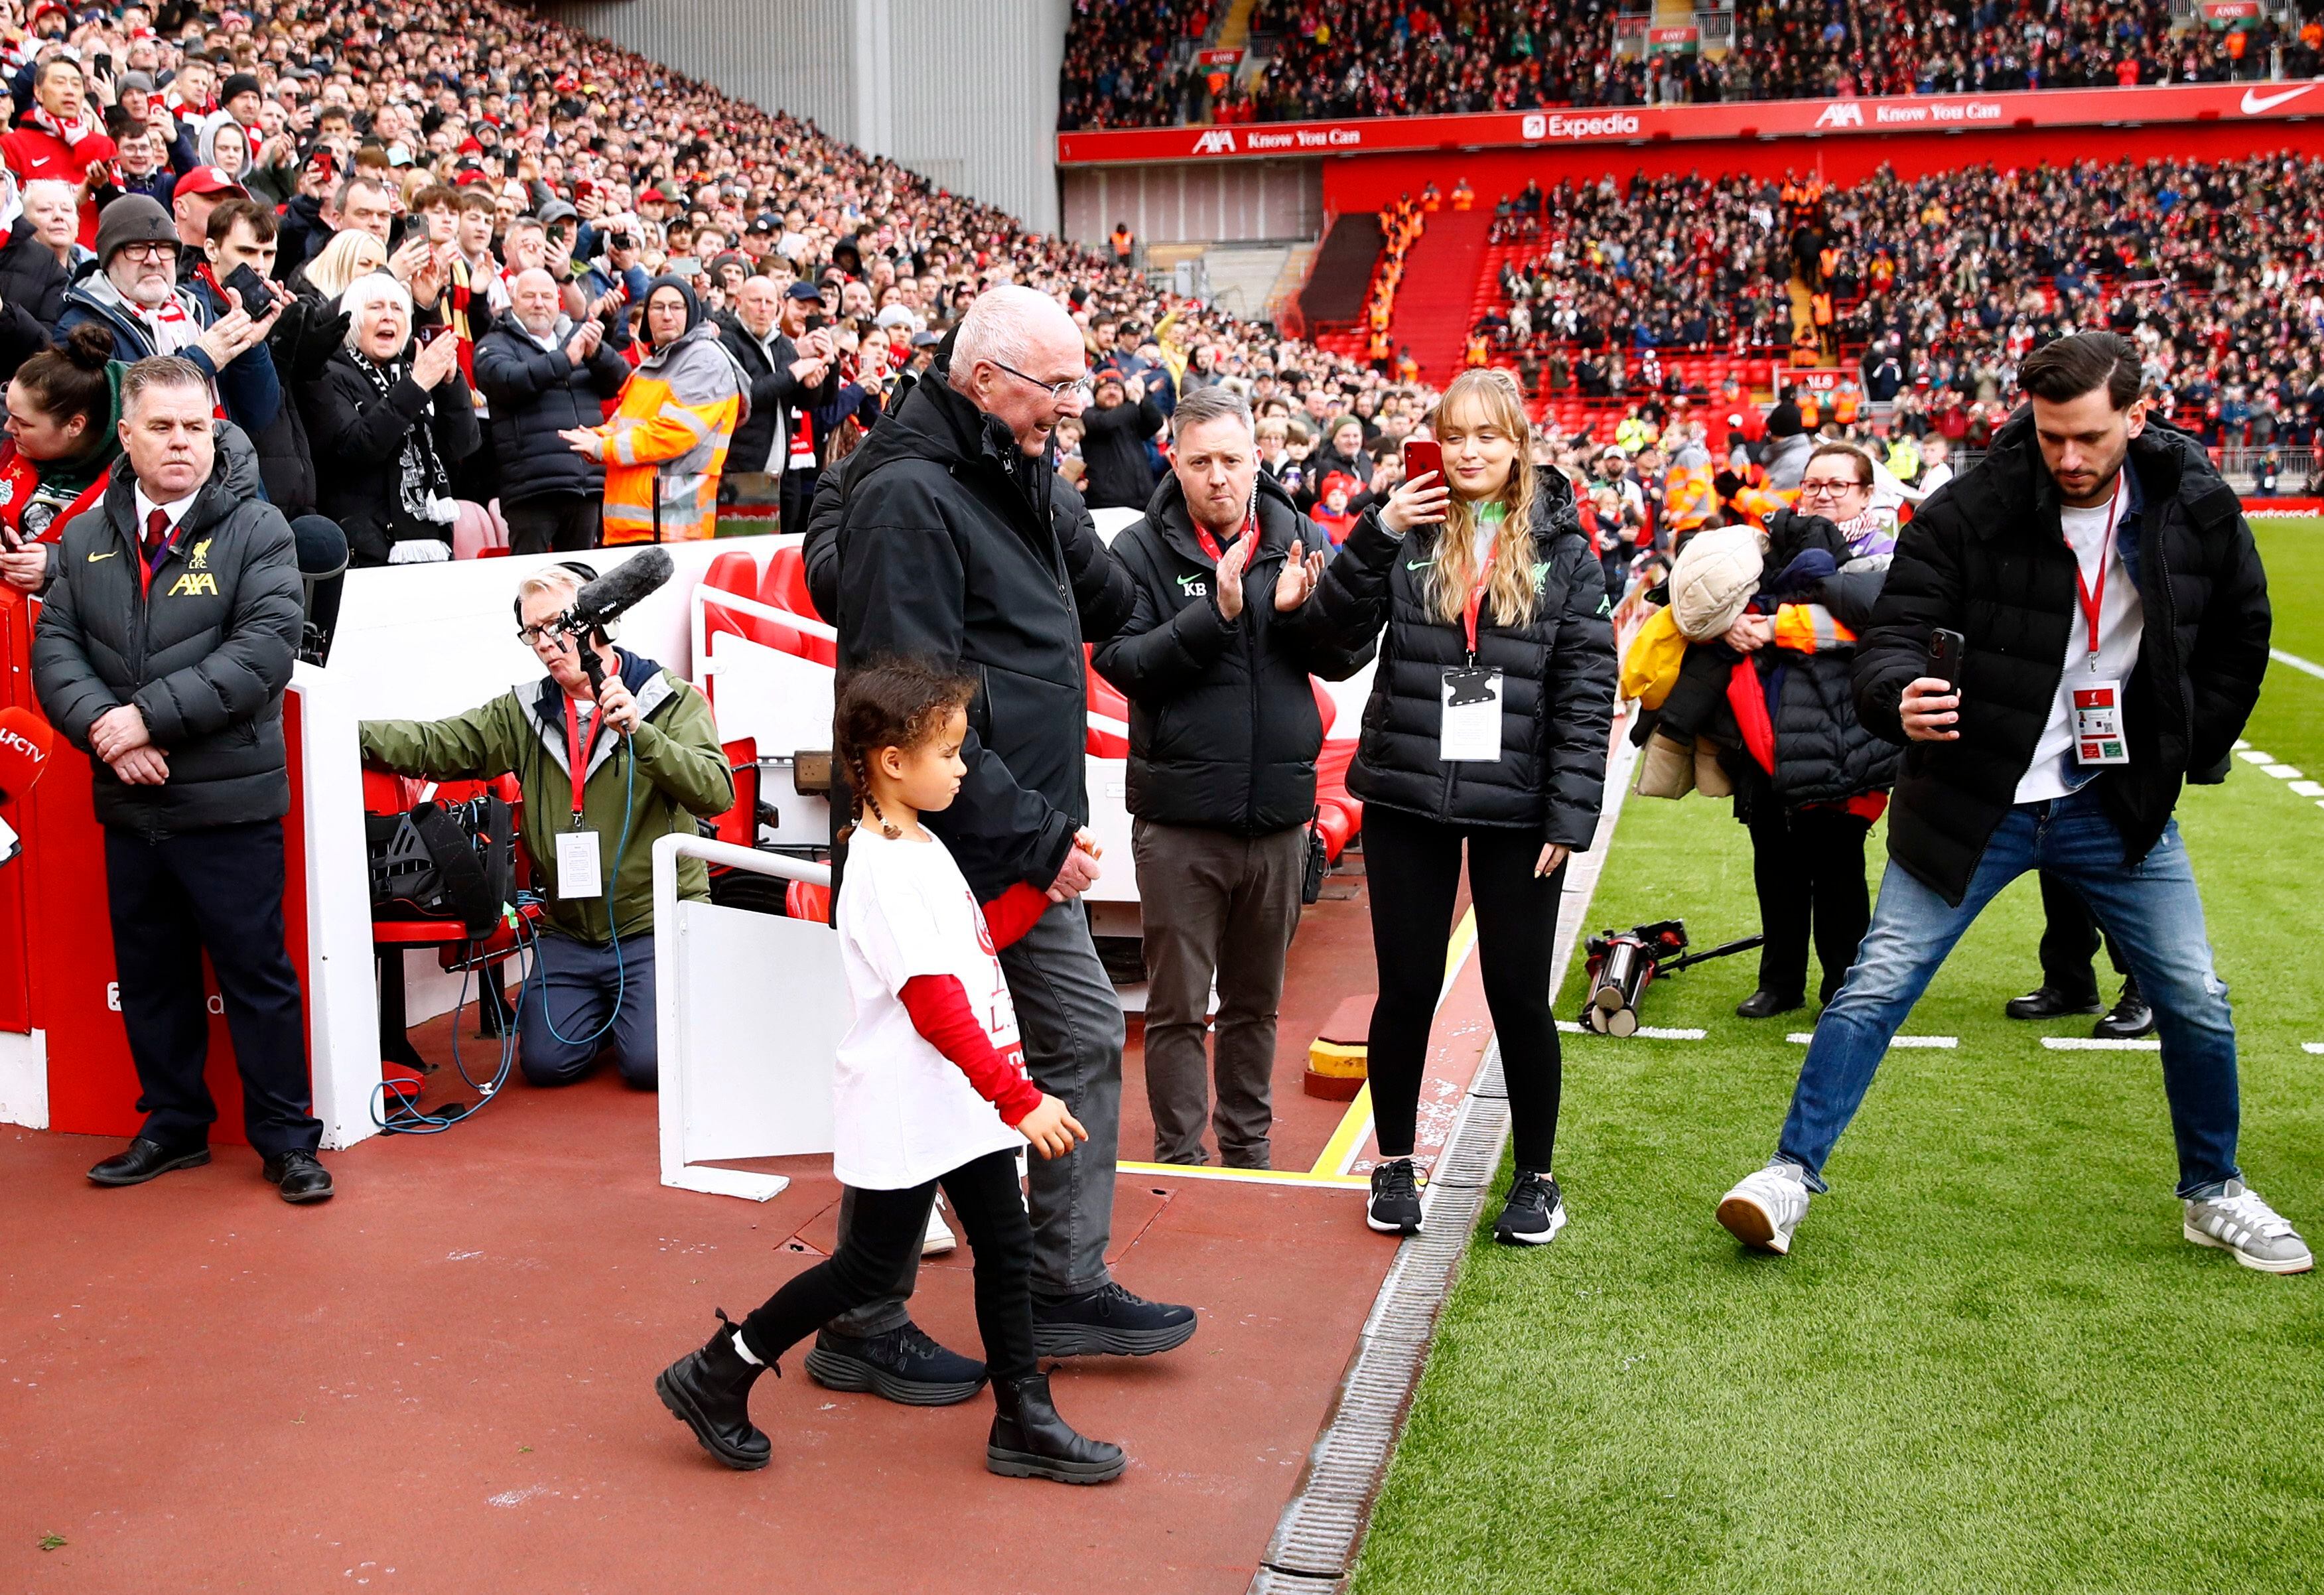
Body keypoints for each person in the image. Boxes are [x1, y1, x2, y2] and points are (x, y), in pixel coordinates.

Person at [1713, 332, 2306, 1273]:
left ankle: (2212, 1191)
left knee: (2193, 996)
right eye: (2047, 435)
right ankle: (1787, 1176)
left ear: (2134, 417)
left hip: (2110, 802)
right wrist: (1894, 692)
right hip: (1968, 797)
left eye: (2086, 437)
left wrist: (2187, 746)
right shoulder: (1973, 504)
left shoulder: (2194, 501)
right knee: (1873, 986)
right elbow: (1895, 628)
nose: (2066, 457)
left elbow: (2240, 628)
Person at [810, 283, 1191, 1405]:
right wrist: (1033, 833)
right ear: (985, 381)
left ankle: (958, 1297)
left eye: (1077, 386)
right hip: (957, 848)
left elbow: (1087, 617)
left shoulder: (1006, 470)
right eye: (1054, 388)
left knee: (979, 1058)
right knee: (1015, 1046)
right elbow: (909, 702)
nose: (1070, 410)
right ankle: (935, 1304)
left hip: (1001, 834)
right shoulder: (909, 497)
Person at [651, 661, 1124, 1484]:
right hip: (916, 1105)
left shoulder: (921, 841)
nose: (963, 766)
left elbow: (975, 940)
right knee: (866, 1270)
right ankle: (719, 1368)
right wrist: (1019, 1099)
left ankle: (1023, 1416)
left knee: (1005, 1248)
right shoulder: (881, 868)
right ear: (893, 763)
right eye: (948, 751)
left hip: (959, 1101)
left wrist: (1042, 889)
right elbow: (935, 1004)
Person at [1307, 368, 1617, 1245]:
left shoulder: (1566, 547)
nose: (1470, 451)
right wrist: (1373, 534)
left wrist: (1568, 815)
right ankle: (1395, 1162)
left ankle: (1536, 1178)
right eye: (1454, 435)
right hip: (1408, 795)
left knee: (1515, 993)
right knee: (1404, 989)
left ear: (1518, 445)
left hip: (1518, 805)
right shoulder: (1404, 533)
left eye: (1487, 434)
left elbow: (1587, 692)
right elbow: (1327, 644)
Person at [29, 354, 327, 1202]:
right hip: (130, 801)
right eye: (161, 427)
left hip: (229, 803)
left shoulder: (258, 528)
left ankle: (285, 1140)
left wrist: (145, 717)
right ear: (125, 434)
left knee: (256, 976)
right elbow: (57, 649)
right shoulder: (83, 536)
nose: (181, 443)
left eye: (195, 427)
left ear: (214, 429)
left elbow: (264, 649)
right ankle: (172, 1124)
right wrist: (106, 731)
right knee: (152, 977)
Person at [1093, 385, 1362, 1169]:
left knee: (1256, 1006)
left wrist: (1303, 614)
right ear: (1172, 461)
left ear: (1258, 461)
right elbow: (1123, 665)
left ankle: (1249, 1152)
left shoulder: (1299, 534)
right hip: (1179, 823)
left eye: (1233, 461)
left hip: (1279, 818)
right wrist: (1217, 613)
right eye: (1201, 460)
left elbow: (1341, 658)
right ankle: (1181, 1157)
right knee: (1177, 1007)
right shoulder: (1137, 552)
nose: (1219, 477)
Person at [357, 561, 732, 1091]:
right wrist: (343, 730)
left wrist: (643, 737)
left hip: (653, 923)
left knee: (649, 1068)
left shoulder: (670, 699)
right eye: (532, 631)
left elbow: (716, 793)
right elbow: (439, 744)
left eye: (557, 625)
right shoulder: (522, 711)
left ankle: (643, 1010)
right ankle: (614, 1013)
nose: (546, 643)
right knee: (546, 1066)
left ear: (602, 621)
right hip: (569, 932)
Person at [1720, 444, 1899, 1018]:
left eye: (1837, 485)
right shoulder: (1769, 549)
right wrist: (1729, 625)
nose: (1822, 494)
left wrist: (1771, 627)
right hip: (1770, 732)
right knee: (1773, 862)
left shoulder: (1888, 554)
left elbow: (1868, 625)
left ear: (1866, 494)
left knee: (1838, 866)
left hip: (1841, 732)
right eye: (1813, 484)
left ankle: (1844, 986)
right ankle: (1779, 982)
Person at [58, 195, 283, 444]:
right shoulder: (80, 327)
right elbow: (100, 424)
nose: (154, 260)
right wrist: (199, 361)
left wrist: (251, 347)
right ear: (109, 259)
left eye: (165, 247)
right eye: (136, 248)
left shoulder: (199, 309)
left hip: (224, 473)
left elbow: (260, 415)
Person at [299, 271, 480, 567]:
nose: (388, 317)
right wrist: (417, 386)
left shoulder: (415, 371)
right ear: (353, 319)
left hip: (432, 542)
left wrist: (450, 384)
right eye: (375, 308)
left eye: (397, 308)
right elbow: (355, 447)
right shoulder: (330, 373)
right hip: (365, 548)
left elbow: (461, 446)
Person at [561, 277, 744, 544]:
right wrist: (594, 438)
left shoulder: (705, 360)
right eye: (658, 307)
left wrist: (603, 447)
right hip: (635, 524)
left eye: (676, 307)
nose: (667, 315)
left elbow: (675, 434)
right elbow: (624, 423)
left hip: (670, 525)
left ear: (691, 311)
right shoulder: (659, 362)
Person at [472, 267, 632, 554]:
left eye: (546, 296)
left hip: (586, 485)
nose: (538, 303)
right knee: (530, 582)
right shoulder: (495, 343)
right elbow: (507, 380)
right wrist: (565, 360)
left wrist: (597, 354)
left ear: (558, 301)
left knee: (582, 583)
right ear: (513, 300)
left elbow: (620, 381)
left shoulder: (578, 336)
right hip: (531, 490)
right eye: (529, 296)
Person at [0, 325, 125, 595]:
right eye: (9, 414)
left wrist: (56, 566)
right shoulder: (11, 451)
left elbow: (139, 569)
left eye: (23, 423)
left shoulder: (136, 479)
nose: (8, 427)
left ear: (75, 426)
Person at [717, 272, 836, 523]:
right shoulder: (726, 340)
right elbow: (747, 398)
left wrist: (812, 386)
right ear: (739, 302)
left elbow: (804, 403)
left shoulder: (782, 345)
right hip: (741, 472)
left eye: (769, 302)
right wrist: (793, 374)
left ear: (779, 307)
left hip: (783, 472)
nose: (763, 309)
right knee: (744, 556)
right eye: (755, 301)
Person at [1077, 370, 1164, 510]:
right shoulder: (1089, 415)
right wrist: (1132, 403)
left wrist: (1142, 398)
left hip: (1143, 500)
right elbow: (1105, 423)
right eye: (1106, 388)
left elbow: (1156, 422)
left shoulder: (1130, 414)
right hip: (1107, 504)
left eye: (1117, 388)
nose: (1112, 392)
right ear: (1096, 394)